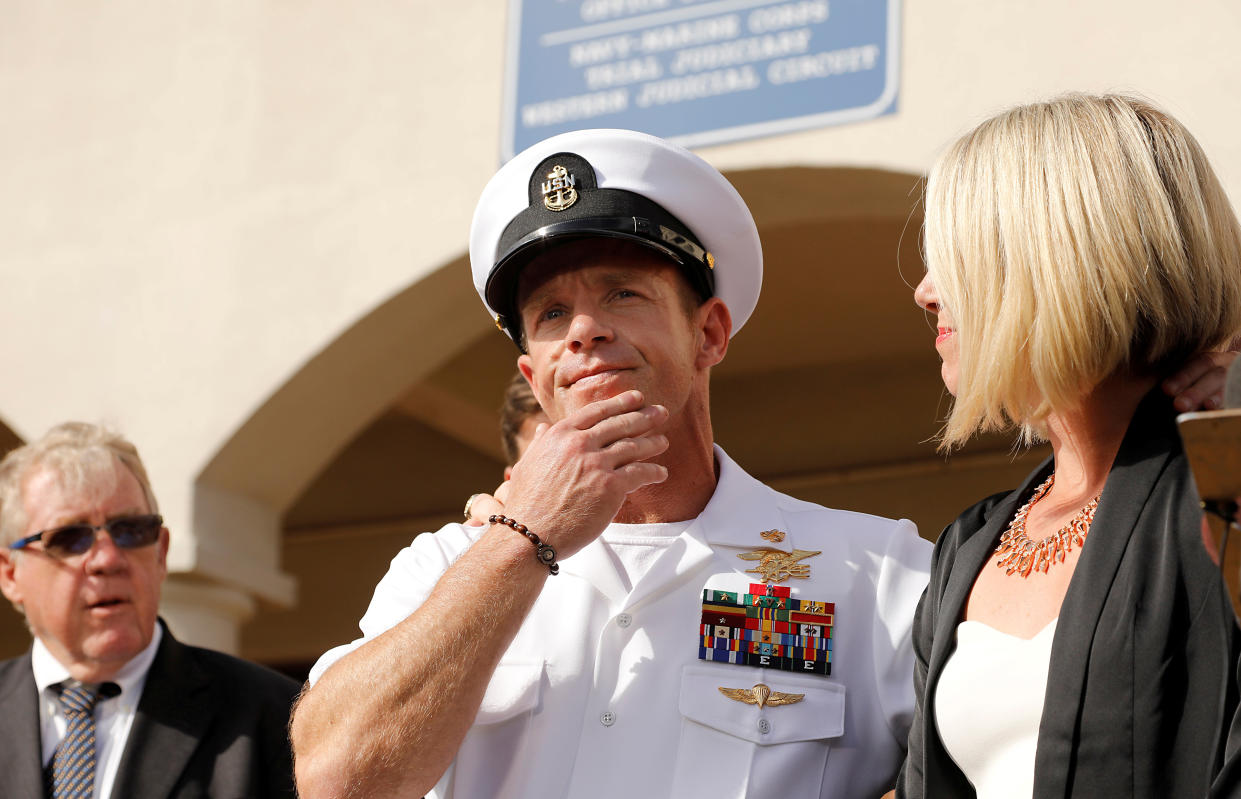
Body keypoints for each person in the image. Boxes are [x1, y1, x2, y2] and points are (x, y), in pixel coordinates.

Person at [290, 129, 934, 799]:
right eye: (551, 311)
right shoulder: (442, 567)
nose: (583, 330)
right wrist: (521, 540)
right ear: (533, 371)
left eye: (622, 293)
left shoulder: (875, 572)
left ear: (709, 333)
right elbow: (337, 781)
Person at [898, 93, 1241, 798]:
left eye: (954, 256)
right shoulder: (969, 541)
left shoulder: (1221, 484)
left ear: (1059, 256)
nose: (924, 292)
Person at [0, 422, 299, 798]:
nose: (108, 559)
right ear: (10, 574)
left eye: (131, 531)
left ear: (161, 552)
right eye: (70, 538)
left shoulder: (276, 720)